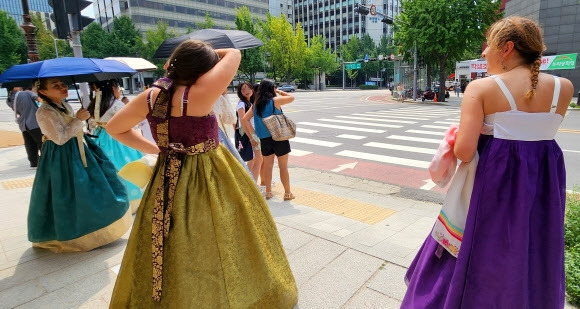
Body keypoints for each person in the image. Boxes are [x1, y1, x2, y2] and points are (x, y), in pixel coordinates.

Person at [106, 40, 297, 307]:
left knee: (168, 237)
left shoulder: (150, 95)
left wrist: (160, 149)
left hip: (168, 174)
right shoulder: (202, 93)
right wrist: (211, 54)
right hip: (212, 171)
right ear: (203, 71)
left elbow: (115, 128)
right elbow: (234, 53)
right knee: (228, 232)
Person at [401, 16, 574, 308]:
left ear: (506, 49)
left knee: (484, 250)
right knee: (534, 249)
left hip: (494, 184)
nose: (483, 54)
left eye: (487, 46)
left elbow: (465, 152)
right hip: (543, 185)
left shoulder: (481, 89)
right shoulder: (564, 88)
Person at [27, 77, 131, 252]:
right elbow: (59, 138)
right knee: (68, 193)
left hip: (78, 150)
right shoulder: (44, 112)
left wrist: (78, 119)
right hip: (61, 158)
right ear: (43, 92)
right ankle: (73, 235)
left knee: (95, 187)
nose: (62, 87)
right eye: (56, 85)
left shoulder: (62, 104)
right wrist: (78, 119)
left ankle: (100, 228)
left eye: (62, 84)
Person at [87, 79, 144, 212]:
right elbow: (129, 123)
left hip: (100, 137)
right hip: (118, 138)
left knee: (106, 168)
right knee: (127, 166)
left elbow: (91, 124)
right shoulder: (116, 104)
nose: (119, 90)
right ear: (112, 88)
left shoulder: (95, 103)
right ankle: (132, 200)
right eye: (117, 87)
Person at [242, 79, 295, 201]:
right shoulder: (275, 101)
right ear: (272, 88)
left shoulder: (256, 104)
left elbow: (245, 119)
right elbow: (291, 97)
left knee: (268, 166)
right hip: (279, 137)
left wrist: (253, 134)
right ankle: (287, 193)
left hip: (265, 139)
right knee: (283, 167)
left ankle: (268, 192)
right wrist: (279, 91)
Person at [8, 86, 43, 168]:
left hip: (23, 124)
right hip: (34, 122)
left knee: (30, 144)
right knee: (42, 143)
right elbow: (40, 100)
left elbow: (17, 111)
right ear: (15, 87)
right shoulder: (27, 93)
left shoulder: (9, 99)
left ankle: (34, 162)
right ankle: (46, 161)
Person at [237, 81, 263, 181]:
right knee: (258, 159)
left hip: (253, 134)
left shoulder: (250, 102)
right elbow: (243, 122)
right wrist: (251, 138)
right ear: (240, 92)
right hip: (249, 135)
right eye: (243, 89)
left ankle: (247, 182)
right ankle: (254, 185)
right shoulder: (242, 104)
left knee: (252, 161)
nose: (246, 91)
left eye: (248, 88)